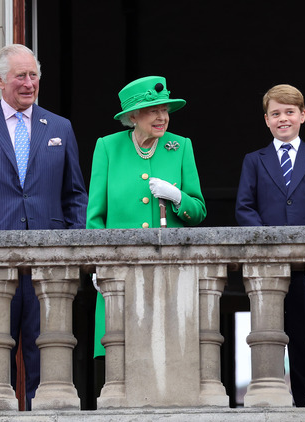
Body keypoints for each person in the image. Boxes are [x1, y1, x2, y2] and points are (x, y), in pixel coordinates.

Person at [0, 44, 88, 409]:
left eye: (34, 76)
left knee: (48, 351)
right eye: (20, 76)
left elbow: (75, 194)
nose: (29, 84)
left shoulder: (60, 127)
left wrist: (74, 249)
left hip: (50, 261)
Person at [87, 75, 206, 387]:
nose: (161, 116)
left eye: (164, 109)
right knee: (118, 359)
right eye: (153, 110)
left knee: (169, 361)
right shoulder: (108, 148)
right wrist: (98, 264)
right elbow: (95, 217)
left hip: (169, 274)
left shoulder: (180, 147)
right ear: (133, 116)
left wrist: (178, 197)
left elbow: (198, 211)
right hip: (120, 275)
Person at [235, 84, 305, 406]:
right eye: (276, 113)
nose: (283, 119)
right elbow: (244, 207)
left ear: (303, 116)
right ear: (266, 119)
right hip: (268, 264)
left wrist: (303, 239)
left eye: (290, 112)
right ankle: (267, 398)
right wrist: (270, 240)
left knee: (304, 333)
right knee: (266, 334)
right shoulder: (254, 160)